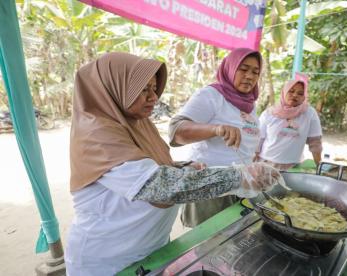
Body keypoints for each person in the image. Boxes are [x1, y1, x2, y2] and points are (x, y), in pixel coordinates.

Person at [64, 52, 281, 275]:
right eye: (143, 89)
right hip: (107, 260)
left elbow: (148, 166)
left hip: (149, 248)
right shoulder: (97, 133)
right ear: (115, 88)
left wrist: (182, 167)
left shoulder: (138, 123)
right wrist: (240, 176)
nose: (154, 97)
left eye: (153, 88)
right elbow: (160, 186)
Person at [169, 48, 262, 227]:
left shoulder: (250, 104)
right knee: (205, 245)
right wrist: (216, 129)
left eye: (255, 72)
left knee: (231, 241)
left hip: (240, 187)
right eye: (243, 69)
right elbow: (176, 131)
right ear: (230, 68)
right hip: (210, 187)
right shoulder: (211, 95)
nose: (250, 76)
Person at [255, 76, 323, 170]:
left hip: (293, 166)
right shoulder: (269, 113)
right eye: (291, 91)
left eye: (300, 93)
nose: (295, 95)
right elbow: (258, 140)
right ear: (284, 92)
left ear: (304, 97)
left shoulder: (309, 113)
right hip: (266, 164)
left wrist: (319, 166)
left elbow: (315, 142)